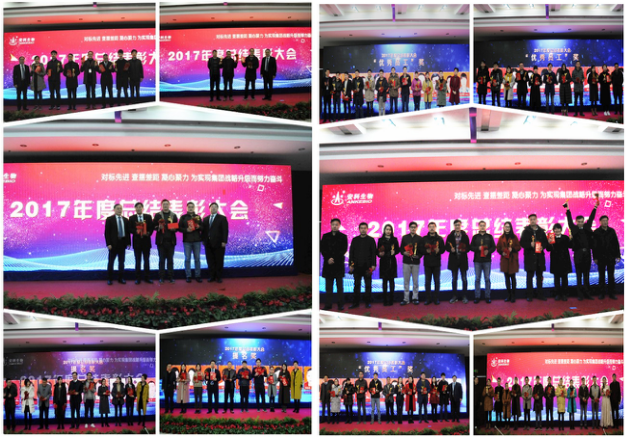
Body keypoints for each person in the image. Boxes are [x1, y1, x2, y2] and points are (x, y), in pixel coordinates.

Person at [566, 198, 598, 300]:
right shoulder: (574, 228)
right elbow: (569, 220)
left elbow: (591, 218)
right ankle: (580, 295)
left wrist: (595, 207)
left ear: (584, 221)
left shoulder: (587, 228)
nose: (580, 223)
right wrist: (568, 209)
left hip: (587, 254)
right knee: (579, 275)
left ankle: (587, 294)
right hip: (578, 254)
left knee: (586, 275)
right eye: (578, 221)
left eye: (582, 221)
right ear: (576, 222)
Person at [321, 218, 348, 311]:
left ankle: (340, 305)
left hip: (338, 264)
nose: (335, 226)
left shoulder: (343, 237)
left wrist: (334, 259)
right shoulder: (325, 236)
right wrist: (328, 258)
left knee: (340, 287)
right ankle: (328, 305)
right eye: (333, 224)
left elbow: (344, 249)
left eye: (336, 225)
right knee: (328, 287)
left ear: (339, 225)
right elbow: (322, 249)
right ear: (331, 225)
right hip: (328, 264)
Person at [520, 214, 548, 301]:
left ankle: (540, 294)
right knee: (529, 277)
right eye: (531, 219)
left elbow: (545, 242)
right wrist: (529, 244)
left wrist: (543, 246)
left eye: (534, 219)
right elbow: (522, 243)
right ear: (529, 221)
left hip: (539, 257)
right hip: (530, 258)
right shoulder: (525, 231)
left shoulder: (541, 231)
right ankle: (529, 295)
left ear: (536, 220)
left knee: (539, 277)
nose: (532, 221)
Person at [348, 222, 377, 309]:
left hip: (368, 266)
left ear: (367, 229)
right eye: (361, 228)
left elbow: (373, 253)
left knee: (368, 285)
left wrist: (373, 264)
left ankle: (367, 302)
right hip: (357, 266)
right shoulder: (355, 240)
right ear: (359, 229)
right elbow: (351, 253)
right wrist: (351, 265)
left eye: (365, 228)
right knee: (356, 285)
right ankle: (355, 303)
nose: (363, 230)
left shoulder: (371, 240)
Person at [593, 215, 620, 300]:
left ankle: (611, 293)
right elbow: (594, 246)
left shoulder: (612, 231)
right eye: (603, 221)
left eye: (606, 220)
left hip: (610, 256)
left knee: (611, 275)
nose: (605, 222)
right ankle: (602, 293)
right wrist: (595, 257)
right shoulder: (596, 232)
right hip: (601, 257)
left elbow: (616, 243)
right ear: (600, 222)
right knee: (601, 276)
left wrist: (618, 255)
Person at [202, 202, 229, 283]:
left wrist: (224, 241)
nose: (213, 208)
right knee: (210, 260)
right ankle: (212, 276)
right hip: (208, 243)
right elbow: (204, 231)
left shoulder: (222, 218)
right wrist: (203, 240)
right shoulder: (205, 219)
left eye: (215, 207)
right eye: (212, 207)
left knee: (219, 260)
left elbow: (225, 230)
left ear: (217, 209)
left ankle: (219, 277)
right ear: (209, 209)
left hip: (219, 243)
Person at [104, 203, 131, 285]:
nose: (119, 210)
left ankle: (121, 278)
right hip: (113, 244)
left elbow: (127, 232)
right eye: (117, 208)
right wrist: (108, 243)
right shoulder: (110, 219)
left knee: (121, 262)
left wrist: (128, 242)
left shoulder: (125, 220)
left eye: (120, 208)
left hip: (122, 243)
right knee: (111, 262)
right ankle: (110, 279)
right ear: (114, 210)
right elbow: (107, 233)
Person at [470, 221, 496, 303]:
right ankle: (477, 296)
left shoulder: (489, 236)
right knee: (477, 279)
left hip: (487, 261)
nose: (482, 227)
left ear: (485, 227)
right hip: (477, 261)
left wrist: (488, 251)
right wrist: (478, 248)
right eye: (480, 225)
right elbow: (471, 247)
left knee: (487, 279)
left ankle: (487, 296)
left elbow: (493, 247)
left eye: (483, 225)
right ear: (478, 227)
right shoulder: (475, 237)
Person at [154, 199, 179, 284]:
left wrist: (174, 229)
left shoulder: (173, 215)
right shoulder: (158, 215)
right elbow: (154, 226)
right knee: (161, 260)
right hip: (161, 242)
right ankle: (161, 277)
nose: (165, 206)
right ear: (161, 206)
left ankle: (171, 277)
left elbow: (177, 227)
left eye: (166, 204)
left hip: (171, 241)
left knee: (170, 260)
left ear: (169, 205)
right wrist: (158, 227)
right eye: (164, 204)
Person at [546, 223, 573, 301]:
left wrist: (571, 239)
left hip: (564, 261)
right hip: (555, 261)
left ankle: (564, 294)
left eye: (558, 229)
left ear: (561, 230)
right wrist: (548, 243)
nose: (557, 230)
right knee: (556, 279)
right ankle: (557, 294)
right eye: (555, 229)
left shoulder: (565, 237)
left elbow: (570, 246)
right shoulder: (551, 237)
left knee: (564, 279)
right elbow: (548, 249)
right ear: (553, 230)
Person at [446, 219, 470, 304]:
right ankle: (454, 296)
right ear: (454, 226)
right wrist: (450, 249)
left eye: (458, 225)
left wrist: (464, 249)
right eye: (456, 225)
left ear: (460, 226)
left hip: (463, 259)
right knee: (454, 279)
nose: (457, 227)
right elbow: (446, 247)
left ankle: (464, 296)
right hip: (454, 260)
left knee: (464, 279)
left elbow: (468, 248)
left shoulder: (465, 236)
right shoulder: (450, 236)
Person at [129, 202, 154, 284]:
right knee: (138, 261)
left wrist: (148, 233)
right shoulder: (132, 218)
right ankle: (138, 278)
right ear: (135, 209)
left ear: (143, 208)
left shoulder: (148, 217)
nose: (139, 208)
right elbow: (130, 229)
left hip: (146, 242)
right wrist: (136, 231)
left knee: (146, 260)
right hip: (137, 242)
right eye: (137, 207)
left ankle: (147, 277)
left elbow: (151, 227)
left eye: (140, 207)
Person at [496, 221, 521, 302]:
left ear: (511, 228)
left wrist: (512, 249)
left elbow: (518, 247)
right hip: (505, 260)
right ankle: (508, 295)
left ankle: (513, 295)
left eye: (508, 227)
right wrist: (501, 252)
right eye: (506, 227)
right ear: (503, 228)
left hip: (512, 260)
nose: (507, 228)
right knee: (506, 278)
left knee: (513, 278)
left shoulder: (514, 237)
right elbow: (498, 248)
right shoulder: (501, 238)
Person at [179, 201, 203, 283]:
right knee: (187, 259)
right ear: (187, 208)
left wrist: (199, 226)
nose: (191, 208)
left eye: (192, 207)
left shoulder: (198, 217)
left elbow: (203, 228)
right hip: (187, 241)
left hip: (197, 241)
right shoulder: (183, 217)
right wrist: (186, 230)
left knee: (197, 259)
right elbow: (179, 228)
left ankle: (198, 275)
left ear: (194, 208)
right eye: (189, 207)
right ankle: (188, 276)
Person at [422, 222, 445, 305]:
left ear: (435, 228)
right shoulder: (424, 239)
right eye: (430, 227)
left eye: (433, 227)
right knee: (427, 282)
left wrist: (439, 250)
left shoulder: (439, 239)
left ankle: (436, 298)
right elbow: (421, 249)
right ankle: (428, 299)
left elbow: (443, 249)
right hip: (427, 263)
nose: (432, 228)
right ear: (428, 228)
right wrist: (426, 251)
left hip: (436, 263)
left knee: (437, 281)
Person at [400, 221, 422, 305]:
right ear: (409, 228)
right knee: (406, 281)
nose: (413, 229)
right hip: (406, 262)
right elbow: (401, 249)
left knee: (415, 281)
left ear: (416, 228)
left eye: (414, 227)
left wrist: (418, 256)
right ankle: (406, 299)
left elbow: (422, 251)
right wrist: (404, 253)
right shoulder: (405, 238)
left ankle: (415, 298)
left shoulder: (419, 238)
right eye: (411, 227)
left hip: (416, 262)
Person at [377, 224, 400, 306]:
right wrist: (379, 254)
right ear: (384, 230)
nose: (388, 231)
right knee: (384, 282)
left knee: (391, 281)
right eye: (387, 229)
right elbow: (377, 251)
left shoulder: (394, 240)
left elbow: (398, 250)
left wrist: (395, 252)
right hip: (383, 262)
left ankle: (391, 299)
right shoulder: (380, 240)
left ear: (391, 231)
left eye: (389, 229)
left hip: (392, 262)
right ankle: (385, 300)